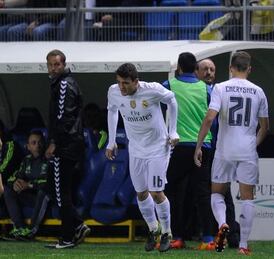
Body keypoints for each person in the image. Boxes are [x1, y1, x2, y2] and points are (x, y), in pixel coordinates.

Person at [194, 51, 269, 255]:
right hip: (247, 150)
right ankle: (243, 245)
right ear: (249, 69)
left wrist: (199, 146)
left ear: (230, 68)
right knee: (247, 198)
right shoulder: (258, 92)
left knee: (217, 192)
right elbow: (265, 127)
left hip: (224, 149)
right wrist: (254, 144)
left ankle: (222, 223)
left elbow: (209, 119)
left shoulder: (220, 87)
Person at [105, 63, 179, 253]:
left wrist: (173, 131)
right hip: (136, 149)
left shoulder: (152, 90)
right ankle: (153, 229)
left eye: (126, 83)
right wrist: (111, 141)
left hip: (158, 147)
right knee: (141, 192)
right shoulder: (114, 92)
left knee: (156, 192)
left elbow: (172, 100)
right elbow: (112, 111)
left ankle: (167, 233)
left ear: (136, 82)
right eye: (119, 82)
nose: (122, 87)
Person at [163, 52, 216, 249]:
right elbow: (214, 119)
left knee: (173, 192)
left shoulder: (169, 85)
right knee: (203, 193)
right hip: (203, 146)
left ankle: (177, 236)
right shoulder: (207, 89)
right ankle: (208, 238)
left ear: (178, 68)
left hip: (179, 146)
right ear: (195, 69)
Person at [44, 49, 90, 249]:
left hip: (66, 145)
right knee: (59, 190)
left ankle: (68, 237)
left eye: (57, 64)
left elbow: (64, 117)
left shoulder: (64, 84)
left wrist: (54, 142)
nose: (53, 68)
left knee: (60, 191)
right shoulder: (61, 83)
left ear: (64, 65)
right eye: (50, 65)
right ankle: (76, 226)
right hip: (70, 143)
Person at [195, 58, 241, 249]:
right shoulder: (197, 91)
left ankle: (230, 234)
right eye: (205, 69)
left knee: (222, 193)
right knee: (208, 193)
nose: (209, 72)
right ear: (196, 71)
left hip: (217, 148)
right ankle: (207, 232)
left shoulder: (220, 91)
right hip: (206, 147)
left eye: (212, 69)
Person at [3, 130, 50, 240]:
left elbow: (48, 183)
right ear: (28, 146)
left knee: (44, 192)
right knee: (8, 189)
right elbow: (14, 176)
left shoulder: (49, 159)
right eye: (33, 143)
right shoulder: (26, 160)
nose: (37, 145)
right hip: (30, 197)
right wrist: (15, 183)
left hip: (45, 199)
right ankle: (20, 228)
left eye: (40, 142)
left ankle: (31, 231)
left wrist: (29, 185)